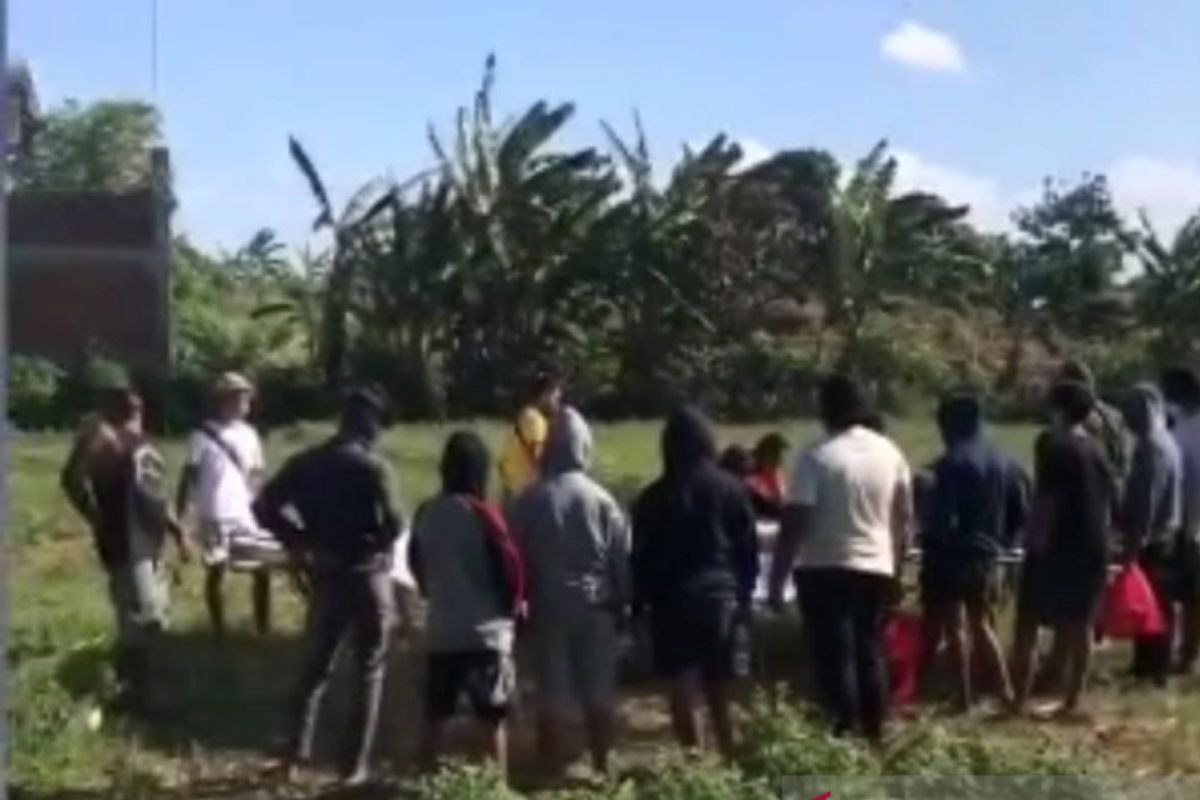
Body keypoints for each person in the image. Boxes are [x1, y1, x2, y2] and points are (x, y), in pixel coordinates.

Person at [254, 387, 404, 787]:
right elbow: (394, 525)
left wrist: (300, 542)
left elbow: (263, 506)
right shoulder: (374, 468)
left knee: (315, 667)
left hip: (325, 572)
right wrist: (371, 548)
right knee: (369, 668)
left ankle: (292, 756)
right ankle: (353, 768)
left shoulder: (307, 462)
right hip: (367, 575)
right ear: (368, 424)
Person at [768, 374, 912, 742]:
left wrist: (776, 578)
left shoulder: (817, 455)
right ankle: (875, 732)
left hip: (824, 567)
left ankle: (842, 736)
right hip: (876, 567)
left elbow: (795, 521)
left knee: (836, 657)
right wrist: (896, 568)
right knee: (870, 652)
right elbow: (903, 518)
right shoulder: (890, 452)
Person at [632, 407, 758, 759]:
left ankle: (694, 758)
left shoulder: (654, 497)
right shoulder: (731, 489)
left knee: (682, 682)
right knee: (720, 683)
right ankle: (729, 754)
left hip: (672, 600)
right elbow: (746, 547)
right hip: (720, 594)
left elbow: (640, 556)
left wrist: (639, 605)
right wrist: (745, 594)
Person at [510, 408, 631, 778]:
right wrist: (625, 604)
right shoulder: (602, 500)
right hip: (597, 607)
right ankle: (603, 764)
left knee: (552, 695)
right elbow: (620, 559)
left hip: (546, 607)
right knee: (599, 692)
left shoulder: (529, 499)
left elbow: (513, 558)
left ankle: (549, 770)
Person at [61, 385, 189, 712]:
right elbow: (71, 479)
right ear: (113, 409)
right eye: (127, 404)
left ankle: (149, 689)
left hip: (152, 541)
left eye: (137, 403)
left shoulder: (146, 443)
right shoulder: (105, 441)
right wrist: (94, 515)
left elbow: (158, 493)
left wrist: (178, 532)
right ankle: (137, 697)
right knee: (140, 621)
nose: (134, 407)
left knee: (157, 618)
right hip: (126, 542)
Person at [410, 431, 527, 780]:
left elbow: (416, 563)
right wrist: (514, 608)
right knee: (491, 719)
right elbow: (512, 568)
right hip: (485, 633)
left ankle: (426, 782)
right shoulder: (484, 515)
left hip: (442, 629)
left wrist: (436, 594)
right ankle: (495, 788)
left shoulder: (426, 513)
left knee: (435, 717)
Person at [1010, 381, 1118, 719]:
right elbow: (1111, 498)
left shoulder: (1052, 444)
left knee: (1027, 622)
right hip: (1093, 544)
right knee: (1079, 623)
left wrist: (1031, 543)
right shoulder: (1097, 448)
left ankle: (1017, 701)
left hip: (1058, 544)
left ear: (1055, 408)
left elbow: (1047, 500)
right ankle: (1073, 700)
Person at [919, 393, 1026, 711]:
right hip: (988, 553)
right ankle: (1005, 691)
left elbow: (942, 516)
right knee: (982, 623)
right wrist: (1003, 543)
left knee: (955, 626)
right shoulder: (1004, 461)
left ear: (949, 425)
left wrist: (930, 540)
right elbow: (1019, 511)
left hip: (953, 552)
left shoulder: (951, 463)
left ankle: (962, 697)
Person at [176, 373, 281, 638]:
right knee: (217, 571)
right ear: (222, 400)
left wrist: (264, 509)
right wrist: (183, 519)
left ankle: (263, 629)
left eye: (245, 396)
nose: (243, 401)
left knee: (262, 569)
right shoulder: (201, 435)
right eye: (237, 396)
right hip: (215, 512)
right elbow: (188, 478)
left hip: (245, 512)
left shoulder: (250, 434)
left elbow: (256, 475)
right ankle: (219, 630)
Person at [1118, 384, 1182, 686]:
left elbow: (1147, 499)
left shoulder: (1152, 447)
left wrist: (1135, 540)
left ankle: (1156, 667)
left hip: (1154, 536)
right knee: (1151, 603)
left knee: (1155, 602)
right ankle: (1147, 663)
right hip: (1160, 533)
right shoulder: (1161, 441)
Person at [1162, 366, 1200, 675]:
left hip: (1190, 524)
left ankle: (1185, 653)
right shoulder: (1183, 427)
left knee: (1187, 595)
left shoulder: (1184, 432)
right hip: (1189, 523)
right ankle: (1185, 651)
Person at [498, 373, 563, 502]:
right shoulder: (535, 420)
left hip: (512, 490)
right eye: (556, 398)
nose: (557, 404)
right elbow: (538, 456)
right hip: (527, 494)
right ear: (546, 394)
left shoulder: (523, 416)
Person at [746, 433, 789, 521]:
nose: (780, 460)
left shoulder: (776, 474)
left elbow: (782, 500)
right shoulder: (751, 479)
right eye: (775, 455)